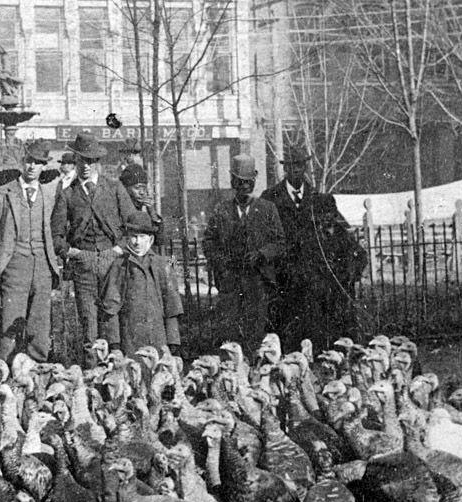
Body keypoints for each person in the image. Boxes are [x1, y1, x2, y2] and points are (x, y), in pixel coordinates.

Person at [260, 145, 364, 351]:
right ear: (285, 169)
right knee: (287, 338)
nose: (296, 170)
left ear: (306, 166)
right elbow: (261, 239)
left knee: (317, 333)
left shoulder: (321, 200)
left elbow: (343, 235)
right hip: (284, 282)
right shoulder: (270, 199)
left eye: (300, 165)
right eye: (291, 166)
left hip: (315, 282)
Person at [52, 131, 138, 367]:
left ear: (98, 162)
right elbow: (56, 235)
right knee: (88, 322)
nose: (86, 167)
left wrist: (120, 249)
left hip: (113, 261)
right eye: (81, 161)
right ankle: (91, 378)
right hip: (84, 263)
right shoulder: (68, 194)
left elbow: (134, 222)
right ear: (75, 163)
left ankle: (115, 373)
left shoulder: (114, 188)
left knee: (112, 319)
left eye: (90, 161)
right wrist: (73, 253)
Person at [202, 153, 285, 356]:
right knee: (230, 331)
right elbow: (209, 242)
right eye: (240, 181)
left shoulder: (267, 209)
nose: (245, 186)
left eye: (248, 182)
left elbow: (280, 242)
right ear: (232, 182)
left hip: (258, 282)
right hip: (231, 283)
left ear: (254, 181)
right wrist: (223, 265)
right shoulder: (221, 210)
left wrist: (262, 254)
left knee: (256, 330)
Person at [0, 140, 62, 363]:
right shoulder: (3, 193)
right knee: (10, 324)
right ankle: (5, 373)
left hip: (42, 266)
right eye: (29, 161)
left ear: (43, 167)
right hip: (14, 267)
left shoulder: (48, 195)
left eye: (38, 163)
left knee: (39, 325)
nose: (32, 167)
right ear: (23, 162)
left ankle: (37, 373)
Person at [100, 210, 183, 356]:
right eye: (133, 237)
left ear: (150, 239)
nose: (137, 242)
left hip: (157, 339)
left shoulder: (161, 265)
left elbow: (172, 308)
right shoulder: (119, 266)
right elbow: (110, 309)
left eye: (142, 237)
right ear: (127, 238)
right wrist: (114, 345)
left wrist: (173, 344)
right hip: (130, 339)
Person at [119, 161, 163, 241]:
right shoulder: (119, 210)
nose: (142, 192)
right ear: (126, 188)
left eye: (144, 188)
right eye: (137, 188)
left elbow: (159, 241)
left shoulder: (144, 211)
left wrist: (152, 212)